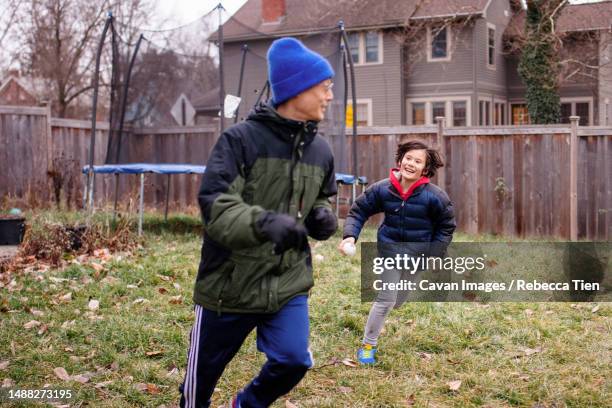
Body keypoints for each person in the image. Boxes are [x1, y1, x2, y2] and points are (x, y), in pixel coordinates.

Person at [179, 37, 338, 408]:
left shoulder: (320, 150)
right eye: (324, 87)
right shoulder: (240, 141)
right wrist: (265, 223)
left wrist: (322, 215)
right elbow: (216, 205)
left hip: (287, 281)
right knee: (198, 385)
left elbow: (322, 195)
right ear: (297, 89)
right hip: (230, 283)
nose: (330, 96)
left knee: (294, 360)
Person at [338, 140, 456, 365]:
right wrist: (349, 236)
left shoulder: (435, 196)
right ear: (400, 159)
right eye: (408, 158)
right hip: (390, 251)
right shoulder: (384, 188)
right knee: (385, 300)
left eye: (417, 161)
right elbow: (359, 210)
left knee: (400, 298)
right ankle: (368, 345)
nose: (411, 163)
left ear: (425, 168)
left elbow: (446, 226)